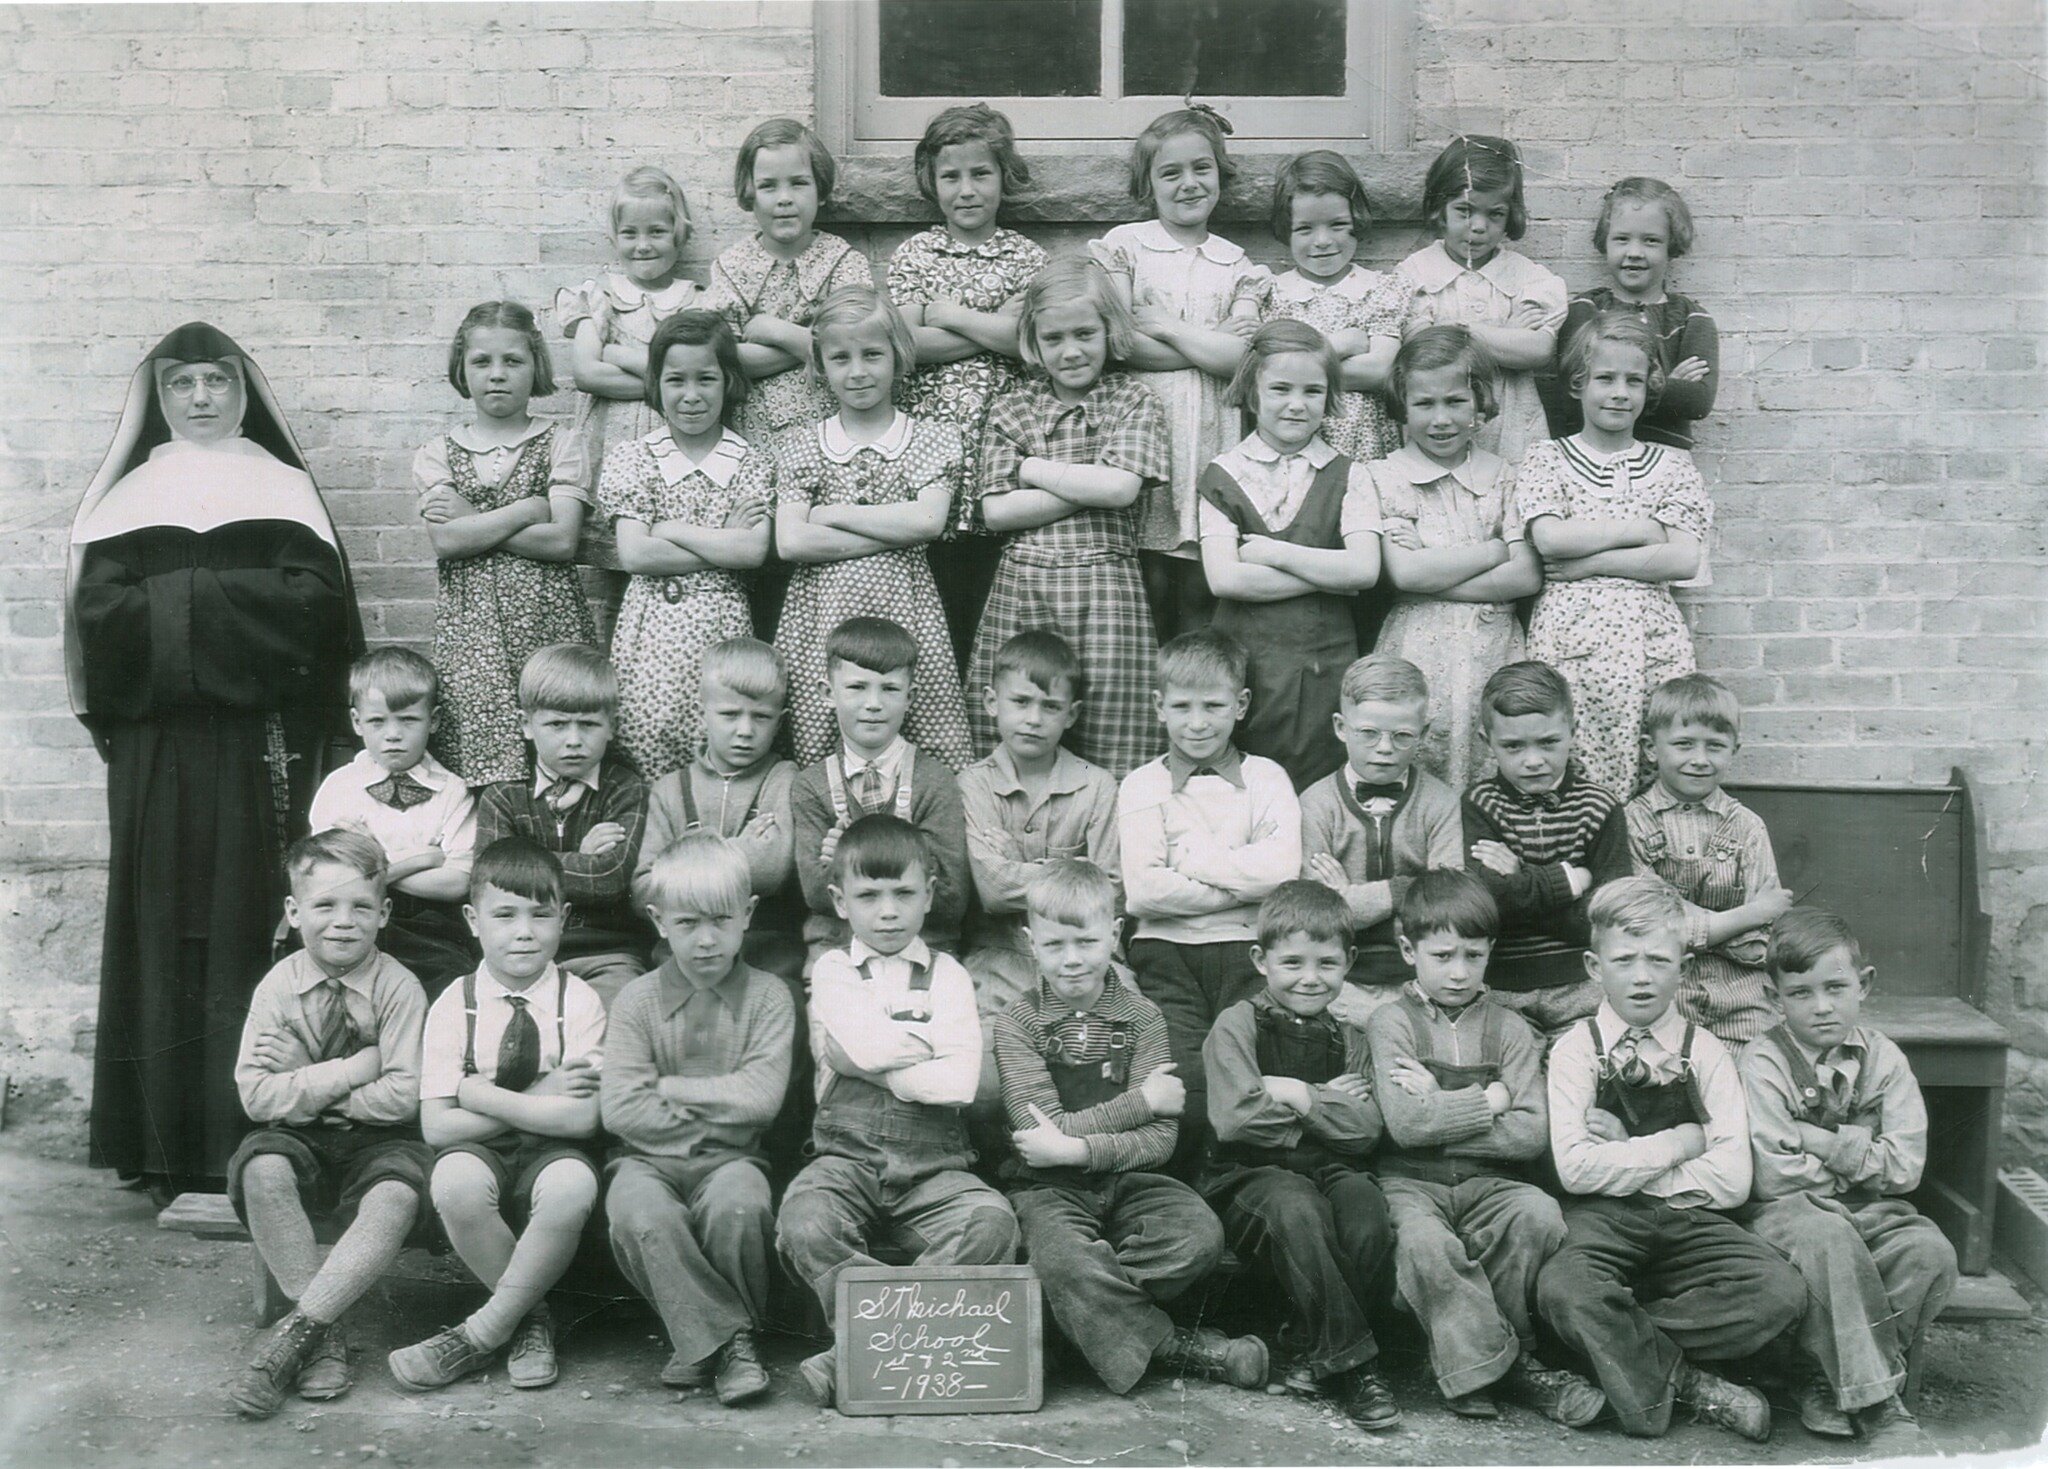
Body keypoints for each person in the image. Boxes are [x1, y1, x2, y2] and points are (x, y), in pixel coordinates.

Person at [67, 321, 363, 1198]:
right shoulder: (129, 497)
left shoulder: (282, 488)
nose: (201, 397)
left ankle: (250, 1137)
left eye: (217, 381)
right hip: (156, 751)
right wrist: (225, 610)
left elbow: (312, 607)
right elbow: (97, 615)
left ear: (244, 393)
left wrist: (180, 607)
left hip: (254, 746)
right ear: (158, 400)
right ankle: (160, 1145)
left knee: (246, 916)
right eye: (183, 383)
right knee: (159, 919)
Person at [1535, 876, 1806, 1443]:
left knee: (1778, 1291)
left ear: (1682, 968)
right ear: (1593, 966)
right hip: (1601, 1219)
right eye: (1624, 959)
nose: (1641, 976)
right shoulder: (1575, 1050)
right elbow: (1575, 1170)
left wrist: (1621, 1156)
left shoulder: (1704, 1052)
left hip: (1693, 1222)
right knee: (1564, 1288)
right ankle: (1694, 1384)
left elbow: (1732, 1181)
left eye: (1659, 960)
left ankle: (1622, 1347)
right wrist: (1683, 1142)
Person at [994, 860, 1266, 1395]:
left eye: (1087, 941)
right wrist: (1140, 1100)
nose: (1072, 960)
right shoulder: (1017, 1021)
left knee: (1196, 1235)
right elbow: (1036, 1134)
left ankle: (1077, 1326)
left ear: (1116, 934)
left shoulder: (1143, 1018)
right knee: (1060, 1254)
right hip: (1046, 1188)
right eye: (1054, 945)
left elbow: (1160, 1141)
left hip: (1128, 1181)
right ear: (1030, 942)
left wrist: (1073, 1148)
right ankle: (1175, 1347)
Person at [776, 815, 1020, 1409]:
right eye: (869, 896)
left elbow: (960, 1081)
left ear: (930, 894)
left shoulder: (952, 976)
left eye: (904, 893)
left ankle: (856, 1351)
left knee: (993, 1222)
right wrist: (919, 1050)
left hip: (936, 1168)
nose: (888, 911)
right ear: (839, 901)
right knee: (804, 1220)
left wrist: (875, 1063)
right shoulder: (832, 971)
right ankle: (898, 1342)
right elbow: (861, 1048)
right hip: (845, 1161)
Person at [1363, 871, 1603, 1426]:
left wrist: (1439, 1099)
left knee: (1537, 1213)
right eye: (1443, 955)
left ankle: (1483, 1357)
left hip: (1487, 1182)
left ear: (1491, 951)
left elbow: (1528, 1134)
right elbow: (1405, 1128)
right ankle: (1502, 1369)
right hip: (1409, 1180)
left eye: (1474, 955)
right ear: (1408, 949)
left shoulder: (1511, 1029)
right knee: (1424, 1243)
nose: (1459, 971)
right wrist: (1489, 1099)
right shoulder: (1390, 1023)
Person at [388, 838, 608, 1393]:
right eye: (504, 915)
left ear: (565, 918)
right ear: (471, 920)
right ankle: (530, 1321)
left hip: (554, 1151)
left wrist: (480, 1096)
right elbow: (438, 1127)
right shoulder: (453, 1003)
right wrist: (540, 1094)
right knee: (456, 1184)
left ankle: (484, 1331)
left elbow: (582, 1122)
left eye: (541, 914)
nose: (524, 931)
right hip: (478, 1151)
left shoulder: (579, 1001)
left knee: (571, 1185)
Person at [225, 830, 431, 1418]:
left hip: (383, 1141)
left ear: (384, 912)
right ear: (293, 912)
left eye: (361, 906)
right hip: (296, 1139)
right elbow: (258, 1097)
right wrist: (351, 1068)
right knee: (263, 1168)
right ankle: (324, 1336)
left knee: (396, 1194)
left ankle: (297, 1338)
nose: (343, 922)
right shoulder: (278, 987)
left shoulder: (398, 987)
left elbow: (403, 1098)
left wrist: (309, 1080)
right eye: (324, 905)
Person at [1738, 907, 1954, 1454]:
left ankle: (1823, 1377)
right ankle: (1880, 1407)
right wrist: (1863, 1144)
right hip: (1790, 1220)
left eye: (1836, 987)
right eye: (1800, 993)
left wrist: (1819, 1141)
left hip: (1872, 1215)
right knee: (1829, 1238)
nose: (1822, 1006)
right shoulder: (1763, 1062)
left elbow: (1905, 1169)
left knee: (1929, 1250)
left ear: (1865, 984)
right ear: (1775, 998)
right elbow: (1775, 1175)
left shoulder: (1885, 1060)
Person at [601, 833, 793, 1406]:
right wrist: (722, 1110)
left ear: (748, 916)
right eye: (687, 924)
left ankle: (698, 1344)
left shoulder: (769, 997)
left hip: (735, 1161)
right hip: (644, 1164)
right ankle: (731, 1343)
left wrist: (671, 1088)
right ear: (658, 921)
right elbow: (620, 1110)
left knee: (741, 1203)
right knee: (639, 1212)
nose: (706, 940)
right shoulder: (636, 1001)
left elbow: (762, 1101)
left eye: (720, 920)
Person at [1200, 881, 1399, 1430]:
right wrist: (1330, 1104)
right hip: (1247, 1176)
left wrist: (1291, 1090)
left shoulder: (1350, 1036)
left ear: (1349, 962)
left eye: (1328, 963)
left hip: (1333, 1170)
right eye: (1292, 962)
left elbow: (1365, 1131)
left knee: (1365, 1208)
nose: (1310, 977)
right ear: (1261, 961)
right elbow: (1236, 1118)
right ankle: (1358, 1367)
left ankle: (1311, 1345)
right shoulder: (1238, 1024)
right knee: (1297, 1206)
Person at [966, 257, 1169, 777]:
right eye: (1053, 338)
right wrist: (1092, 481)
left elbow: (1122, 489)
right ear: (1033, 341)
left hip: (1107, 586)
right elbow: (997, 511)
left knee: (1113, 727)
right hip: (1024, 585)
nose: (1071, 350)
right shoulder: (1013, 406)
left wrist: (1032, 467)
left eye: (1085, 333)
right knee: (1019, 719)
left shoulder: (1132, 399)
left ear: (1109, 330)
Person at [771, 287, 975, 768]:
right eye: (840, 358)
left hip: (905, 611)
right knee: (821, 730)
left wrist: (831, 513)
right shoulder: (803, 444)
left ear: (899, 357)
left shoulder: (929, 437)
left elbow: (927, 520)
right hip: (822, 615)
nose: (857, 371)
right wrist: (890, 524)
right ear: (821, 366)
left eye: (872, 355)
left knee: (919, 725)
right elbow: (791, 539)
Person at [1120, 630, 1301, 1168]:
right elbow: (1144, 891)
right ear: (1158, 708)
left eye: (1214, 706)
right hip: (1165, 953)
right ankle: (1185, 1183)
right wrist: (1237, 885)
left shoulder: (1266, 778)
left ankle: (1242, 1178)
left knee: (1244, 1065)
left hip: (1245, 951)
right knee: (1184, 1073)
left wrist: (1192, 862)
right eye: (1182, 707)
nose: (1198, 722)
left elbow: (1280, 872)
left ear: (1240, 705)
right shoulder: (1140, 785)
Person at [1521, 310, 1714, 798]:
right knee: (1574, 757)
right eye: (1605, 378)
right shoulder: (1546, 458)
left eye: (1634, 380)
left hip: (1652, 639)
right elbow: (1551, 540)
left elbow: (1683, 560)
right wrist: (1646, 530)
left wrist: (1590, 563)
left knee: (1655, 753)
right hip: (1569, 637)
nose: (1619, 392)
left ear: (1650, 388)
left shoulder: (1673, 466)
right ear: (1578, 385)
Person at [886, 103, 1049, 669]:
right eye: (951, 176)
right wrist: (990, 324)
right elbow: (906, 347)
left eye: (981, 173)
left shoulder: (1028, 258)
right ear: (931, 180)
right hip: (933, 450)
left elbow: (1031, 344)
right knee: (939, 595)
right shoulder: (916, 254)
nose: (966, 189)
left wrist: (944, 312)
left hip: (1003, 450)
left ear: (1005, 176)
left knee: (997, 599)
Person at [1089, 106, 1262, 639]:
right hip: (1146, 431)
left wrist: (1165, 325)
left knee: (1200, 579)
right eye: (1171, 173)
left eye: (1201, 169)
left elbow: (1244, 360)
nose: (1189, 183)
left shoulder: (1237, 263)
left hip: (1212, 431)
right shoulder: (1125, 246)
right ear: (1148, 183)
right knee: (1145, 580)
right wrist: (1208, 344)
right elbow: (1119, 343)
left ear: (1220, 174)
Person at [416, 300, 597, 787]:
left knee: (558, 730)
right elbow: (448, 541)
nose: (498, 375)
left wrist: (475, 521)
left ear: (535, 365)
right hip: (470, 632)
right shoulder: (438, 452)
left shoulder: (562, 442)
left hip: (548, 620)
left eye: (513, 361)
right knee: (478, 749)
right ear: (462, 369)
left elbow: (561, 539)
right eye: (482, 362)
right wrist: (527, 509)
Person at [1197, 320, 1382, 790]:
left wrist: (1272, 552)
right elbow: (1226, 580)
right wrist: (1330, 572)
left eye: (1313, 391)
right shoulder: (1222, 474)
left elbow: (1365, 568)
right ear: (1253, 392)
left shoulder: (1349, 474)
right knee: (1243, 788)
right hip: (1246, 662)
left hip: (1323, 662)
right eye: (1280, 388)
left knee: (1319, 785)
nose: (1297, 404)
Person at [706, 117, 873, 637]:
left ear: (820, 190)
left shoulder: (844, 263)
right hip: (751, 439)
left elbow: (851, 349)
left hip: (827, 437)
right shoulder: (732, 267)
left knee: (821, 557)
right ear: (747, 193)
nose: (784, 199)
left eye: (798, 183)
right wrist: (806, 341)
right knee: (761, 564)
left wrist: (766, 327)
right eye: (769, 185)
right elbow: (722, 360)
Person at [597, 310, 772, 780]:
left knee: (719, 745)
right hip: (649, 632)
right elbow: (635, 554)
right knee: (645, 741)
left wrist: (670, 529)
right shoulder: (634, 458)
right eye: (676, 380)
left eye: (706, 379)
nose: (691, 396)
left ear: (729, 381)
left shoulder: (750, 462)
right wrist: (721, 540)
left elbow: (751, 553)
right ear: (656, 383)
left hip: (722, 631)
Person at [1367, 327, 1541, 790]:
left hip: (1493, 648)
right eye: (1424, 404)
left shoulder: (1506, 477)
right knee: (1420, 755)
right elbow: (1402, 573)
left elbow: (1524, 576)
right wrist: (1494, 550)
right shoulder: (1383, 477)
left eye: (1456, 402)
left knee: (1492, 759)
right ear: (1402, 406)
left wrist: (1430, 567)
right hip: (1418, 646)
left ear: (1480, 403)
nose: (1441, 419)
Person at [960, 631, 1121, 1103]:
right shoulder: (972, 784)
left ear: (1071, 715)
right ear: (992, 702)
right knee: (988, 1084)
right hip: (999, 961)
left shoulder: (1097, 787)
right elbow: (990, 890)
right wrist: (1071, 872)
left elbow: (1109, 889)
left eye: (1050, 706)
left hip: (1086, 959)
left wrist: (1017, 864)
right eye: (1021, 701)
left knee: (1107, 1080)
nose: (1033, 719)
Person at [475, 644, 650, 1010]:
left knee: (617, 1015)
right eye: (556, 724)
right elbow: (491, 879)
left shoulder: (625, 788)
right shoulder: (503, 797)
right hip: (519, 952)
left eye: (588, 724)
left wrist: (531, 865)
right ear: (526, 725)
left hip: (606, 951)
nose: (573, 740)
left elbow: (613, 876)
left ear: (612, 727)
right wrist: (581, 857)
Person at [789, 617, 971, 969]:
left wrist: (848, 855)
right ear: (828, 693)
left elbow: (951, 897)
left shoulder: (935, 781)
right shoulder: (811, 785)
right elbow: (815, 893)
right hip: (836, 952)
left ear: (910, 697)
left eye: (889, 689)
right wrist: (909, 861)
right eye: (857, 687)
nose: (873, 703)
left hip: (927, 951)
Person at [1463, 661, 1630, 1034]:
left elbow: (1610, 915)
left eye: (1549, 742)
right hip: (1500, 987)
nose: (1533, 760)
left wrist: (1520, 879)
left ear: (1574, 730)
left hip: (1582, 984)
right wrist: (1567, 882)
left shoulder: (1601, 807)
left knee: (1586, 1068)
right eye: (1513, 746)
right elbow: (1488, 902)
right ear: (1485, 740)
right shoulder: (1479, 805)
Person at [1626, 674, 1793, 1044]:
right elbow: (1648, 929)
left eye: (1715, 746)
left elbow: (1760, 943)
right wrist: (1746, 916)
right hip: (1663, 987)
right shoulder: (1631, 824)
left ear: (1734, 748)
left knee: (1756, 1071)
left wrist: (1687, 925)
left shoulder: (1748, 828)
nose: (1699, 760)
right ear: (1651, 749)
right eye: (1684, 745)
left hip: (1743, 993)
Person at [1298, 655, 1463, 1018]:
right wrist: (1412, 888)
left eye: (1402, 735)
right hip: (1339, 982)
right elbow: (1318, 918)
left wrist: (1355, 898)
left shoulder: (1441, 802)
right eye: (1368, 733)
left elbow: (1446, 903)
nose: (1385, 748)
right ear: (1341, 727)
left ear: (1423, 731)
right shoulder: (1316, 804)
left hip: (1423, 981)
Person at [309, 648, 478, 996]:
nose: (393, 734)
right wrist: (423, 858)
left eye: (408, 720)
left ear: (433, 721)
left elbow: (456, 883)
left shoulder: (453, 791)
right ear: (357, 722)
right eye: (377, 721)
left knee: (451, 984)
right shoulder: (340, 787)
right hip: (354, 923)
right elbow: (334, 880)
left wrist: (369, 857)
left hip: (430, 928)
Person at [634, 637, 801, 985]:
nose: (745, 730)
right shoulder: (670, 789)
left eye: (761, 717)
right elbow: (643, 891)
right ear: (702, 712)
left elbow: (773, 870)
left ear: (780, 720)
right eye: (729, 714)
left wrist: (685, 858)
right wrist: (738, 850)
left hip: (765, 957)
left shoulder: (782, 779)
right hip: (679, 960)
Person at [1397, 135, 1567, 468]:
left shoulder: (1528, 278)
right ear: (1439, 209)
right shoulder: (1414, 273)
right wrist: (1504, 334)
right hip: (1438, 432)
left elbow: (1536, 350)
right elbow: (1421, 347)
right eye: (1464, 210)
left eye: (1494, 215)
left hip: (1513, 432)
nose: (1478, 226)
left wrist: (1452, 330)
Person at [1232, 149, 1407, 462]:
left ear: (1357, 220)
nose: (1323, 240)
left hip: (1364, 449)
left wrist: (1294, 371)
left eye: (1337, 225)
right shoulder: (1273, 292)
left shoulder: (1380, 290)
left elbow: (1380, 370)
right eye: (1305, 228)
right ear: (1286, 231)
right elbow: (1260, 372)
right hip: (1289, 449)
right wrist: (1340, 344)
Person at [1540, 178, 1718, 451]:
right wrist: (1664, 384)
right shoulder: (1587, 309)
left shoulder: (1691, 319)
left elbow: (1697, 402)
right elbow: (1572, 395)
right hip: (1593, 455)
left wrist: (1610, 388)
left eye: (1651, 241)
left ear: (1671, 245)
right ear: (1605, 242)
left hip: (1667, 458)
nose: (1634, 253)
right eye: (1622, 239)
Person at [556, 164, 708, 475]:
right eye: (630, 233)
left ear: (679, 235)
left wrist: (615, 354)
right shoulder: (598, 296)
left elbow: (698, 377)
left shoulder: (697, 303)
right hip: (607, 442)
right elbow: (587, 374)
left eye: (657, 231)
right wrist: (669, 381)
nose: (642, 245)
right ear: (614, 237)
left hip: (676, 443)